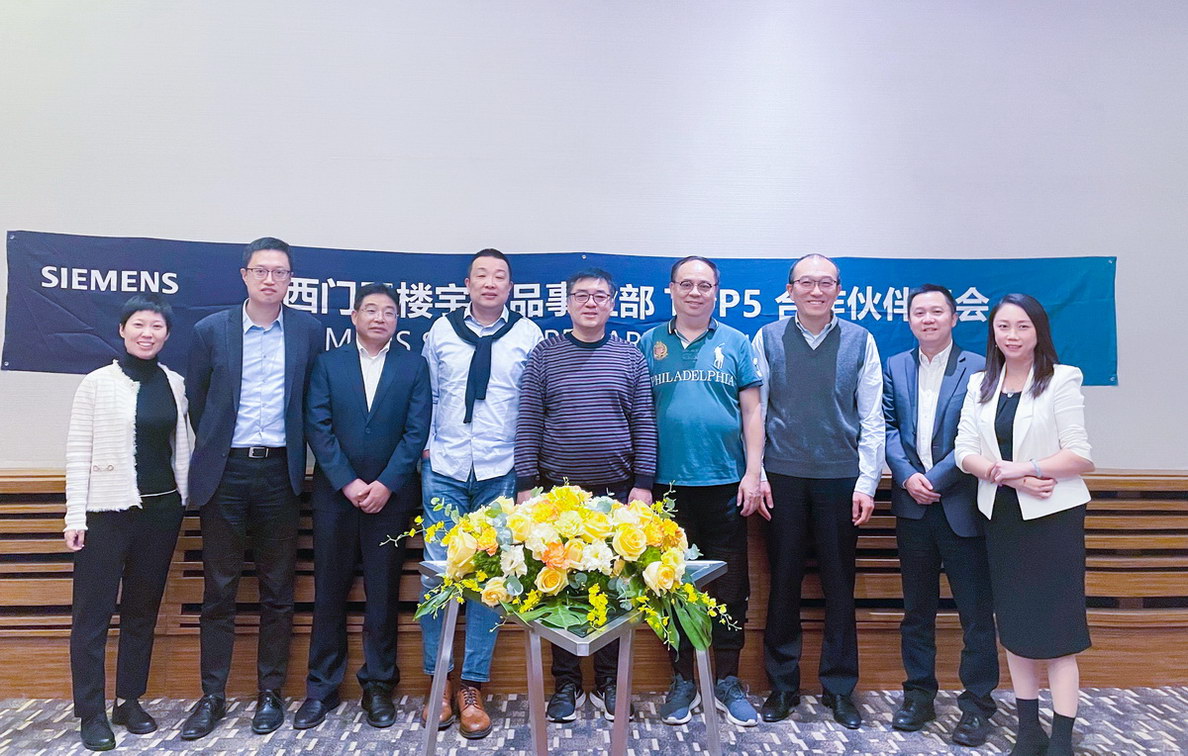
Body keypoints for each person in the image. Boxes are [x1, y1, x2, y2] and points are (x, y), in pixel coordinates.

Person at [182, 237, 323, 740]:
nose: (270, 279)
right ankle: (212, 695)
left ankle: (271, 692)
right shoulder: (210, 330)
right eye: (261, 270)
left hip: (280, 473)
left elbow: (311, 400)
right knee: (219, 589)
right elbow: (198, 402)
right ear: (244, 275)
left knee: (277, 589)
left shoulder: (308, 331)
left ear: (290, 280)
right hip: (225, 472)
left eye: (279, 272)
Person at [514, 267, 657, 723]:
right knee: (558, 589)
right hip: (556, 496)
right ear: (568, 303)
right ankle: (567, 683)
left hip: (618, 494)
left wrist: (644, 483)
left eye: (599, 296)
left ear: (612, 303)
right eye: (581, 295)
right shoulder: (545, 355)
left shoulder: (630, 356)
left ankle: (611, 681)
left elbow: (644, 421)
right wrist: (525, 484)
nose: (590, 303)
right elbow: (529, 419)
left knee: (616, 588)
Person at [955, 294, 1094, 756]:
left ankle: (1061, 739)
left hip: (1053, 519)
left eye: (1022, 327)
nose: (1012, 336)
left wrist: (1028, 468)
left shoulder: (1061, 379)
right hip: (1003, 518)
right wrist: (1008, 476)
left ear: (1038, 332)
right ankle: (1028, 732)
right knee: (1014, 629)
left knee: (1057, 633)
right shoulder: (980, 383)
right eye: (1003, 327)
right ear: (992, 332)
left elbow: (1079, 455)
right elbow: (964, 451)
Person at [751, 253, 884, 729]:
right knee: (784, 583)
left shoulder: (860, 340)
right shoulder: (767, 337)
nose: (816, 291)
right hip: (782, 478)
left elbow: (872, 417)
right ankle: (782, 686)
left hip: (840, 480)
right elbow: (757, 411)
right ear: (790, 290)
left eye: (826, 283)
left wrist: (867, 482)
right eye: (806, 282)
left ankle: (840, 689)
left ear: (838, 290)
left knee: (839, 586)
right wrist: (758, 473)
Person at [294, 283, 431, 730]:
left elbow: (416, 432)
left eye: (388, 312)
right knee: (329, 591)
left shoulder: (413, 366)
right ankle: (321, 688)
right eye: (370, 310)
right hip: (336, 497)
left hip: (391, 499)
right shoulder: (327, 364)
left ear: (397, 320)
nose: (379, 318)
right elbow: (317, 425)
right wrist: (348, 482)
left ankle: (378, 687)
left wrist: (387, 484)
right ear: (354, 316)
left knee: (383, 593)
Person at [419, 249, 543, 738]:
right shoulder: (441, 331)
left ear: (510, 287)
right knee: (439, 576)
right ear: (467, 284)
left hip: (500, 469)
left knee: (491, 577)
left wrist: (525, 467)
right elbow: (428, 393)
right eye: (482, 275)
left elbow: (533, 404)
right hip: (445, 466)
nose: (490, 283)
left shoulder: (528, 335)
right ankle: (438, 682)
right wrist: (428, 446)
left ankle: (472, 685)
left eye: (500, 276)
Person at [639, 256, 764, 728]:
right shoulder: (648, 343)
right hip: (666, 487)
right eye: (686, 284)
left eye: (704, 285)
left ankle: (727, 680)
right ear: (671, 290)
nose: (695, 292)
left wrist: (754, 473)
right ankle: (682, 680)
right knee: (669, 585)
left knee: (731, 587)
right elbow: (637, 413)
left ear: (716, 292)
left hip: (726, 483)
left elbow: (752, 412)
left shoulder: (735, 342)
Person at [64, 294, 191, 752]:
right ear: (122, 330)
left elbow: (182, 446)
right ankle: (91, 712)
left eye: (156, 326)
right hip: (106, 514)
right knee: (93, 616)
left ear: (167, 334)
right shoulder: (97, 384)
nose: (147, 333)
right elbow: (78, 451)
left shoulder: (175, 383)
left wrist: (183, 499)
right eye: (139, 324)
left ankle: (128, 701)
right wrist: (75, 514)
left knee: (142, 610)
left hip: (161, 513)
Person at [882, 284, 998, 746]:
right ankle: (918, 696)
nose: (927, 319)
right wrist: (908, 476)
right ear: (909, 319)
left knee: (975, 613)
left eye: (936, 312)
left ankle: (977, 706)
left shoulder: (979, 368)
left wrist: (936, 478)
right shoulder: (895, 366)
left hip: (961, 506)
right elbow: (888, 427)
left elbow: (978, 434)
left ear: (954, 318)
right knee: (917, 611)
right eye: (919, 312)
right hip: (912, 507)